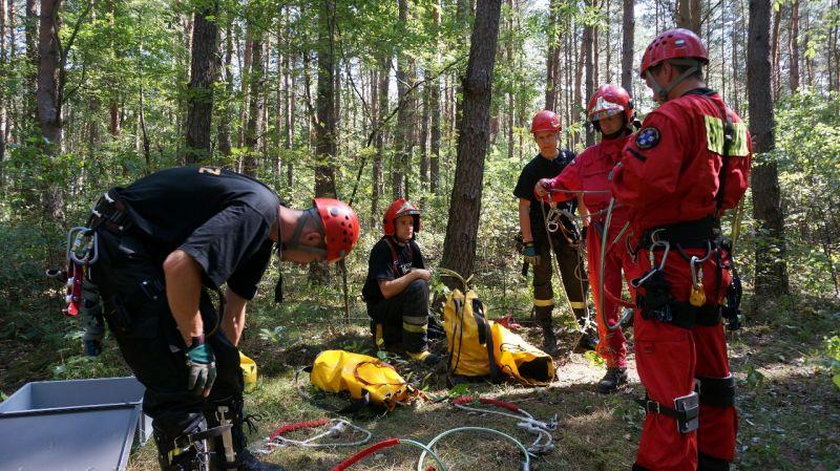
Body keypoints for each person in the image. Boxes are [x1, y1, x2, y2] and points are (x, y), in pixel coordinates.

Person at [87, 166, 360, 471]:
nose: (308, 264)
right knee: (177, 379)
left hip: (157, 255)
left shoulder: (266, 229)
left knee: (222, 363)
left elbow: (235, 306)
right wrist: (197, 347)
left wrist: (223, 358)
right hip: (125, 246)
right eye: (317, 258)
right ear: (311, 237)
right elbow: (180, 266)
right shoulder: (255, 213)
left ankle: (231, 461)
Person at [611, 29, 751, 471]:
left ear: (668, 70)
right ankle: (714, 459)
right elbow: (731, 191)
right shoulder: (730, 120)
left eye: (653, 77)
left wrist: (617, 176)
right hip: (708, 260)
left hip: (669, 266)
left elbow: (635, 183)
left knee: (669, 386)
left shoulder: (671, 118)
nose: (652, 87)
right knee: (712, 374)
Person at [535, 84, 640, 393]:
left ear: (625, 116)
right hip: (599, 233)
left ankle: (654, 363)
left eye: (612, 117)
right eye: (601, 119)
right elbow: (563, 183)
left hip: (637, 233)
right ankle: (615, 365)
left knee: (645, 297)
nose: (607, 124)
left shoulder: (641, 148)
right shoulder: (588, 157)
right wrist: (547, 185)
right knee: (605, 299)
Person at [514, 110, 590, 356]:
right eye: (541, 137)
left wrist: (587, 226)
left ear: (558, 134)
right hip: (539, 232)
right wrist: (528, 243)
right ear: (535, 140)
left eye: (550, 136)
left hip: (566, 229)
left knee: (576, 276)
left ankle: (585, 329)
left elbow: (581, 196)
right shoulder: (531, 169)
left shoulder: (571, 161)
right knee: (542, 280)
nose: (546, 141)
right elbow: (524, 207)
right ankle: (547, 331)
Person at [362, 199, 440, 366]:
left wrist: (418, 276)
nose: (408, 227)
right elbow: (386, 291)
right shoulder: (382, 249)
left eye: (411, 223)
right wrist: (415, 274)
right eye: (403, 223)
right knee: (418, 285)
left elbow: (420, 283)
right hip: (381, 306)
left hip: (400, 302)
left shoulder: (412, 247)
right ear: (392, 225)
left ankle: (404, 336)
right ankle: (416, 350)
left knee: (437, 329)